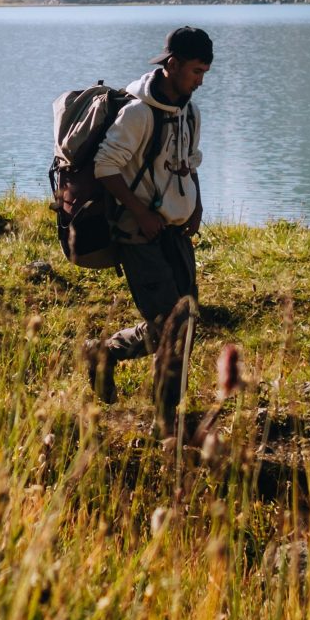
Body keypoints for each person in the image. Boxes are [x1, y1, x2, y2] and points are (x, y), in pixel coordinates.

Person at [88, 26, 210, 433]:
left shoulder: (190, 111)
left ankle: (105, 353)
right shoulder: (138, 113)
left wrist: (197, 203)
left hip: (175, 231)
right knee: (175, 328)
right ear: (171, 64)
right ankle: (165, 421)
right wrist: (140, 212)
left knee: (182, 322)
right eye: (195, 71)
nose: (200, 80)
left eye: (205, 72)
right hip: (138, 233)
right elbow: (104, 167)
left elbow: (189, 161)